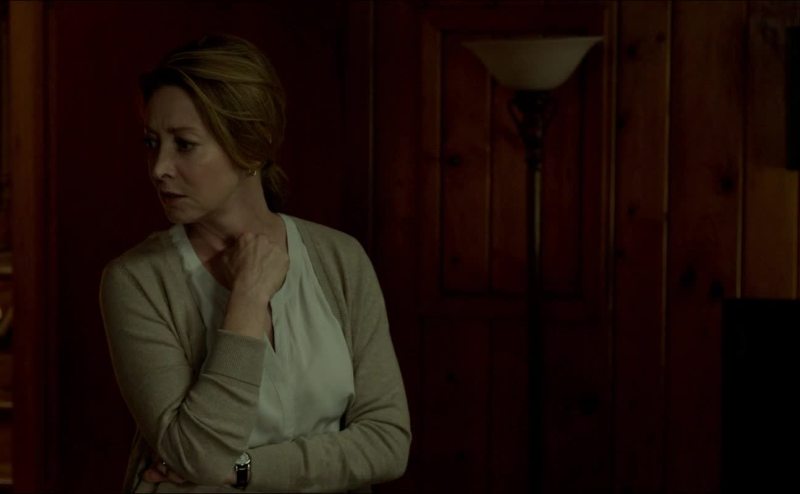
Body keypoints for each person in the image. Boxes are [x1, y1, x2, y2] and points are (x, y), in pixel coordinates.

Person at [100, 33, 410, 492]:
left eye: (184, 144)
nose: (159, 167)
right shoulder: (137, 281)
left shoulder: (340, 260)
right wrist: (246, 300)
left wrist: (244, 469)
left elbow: (387, 442)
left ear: (252, 146)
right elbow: (198, 455)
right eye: (151, 142)